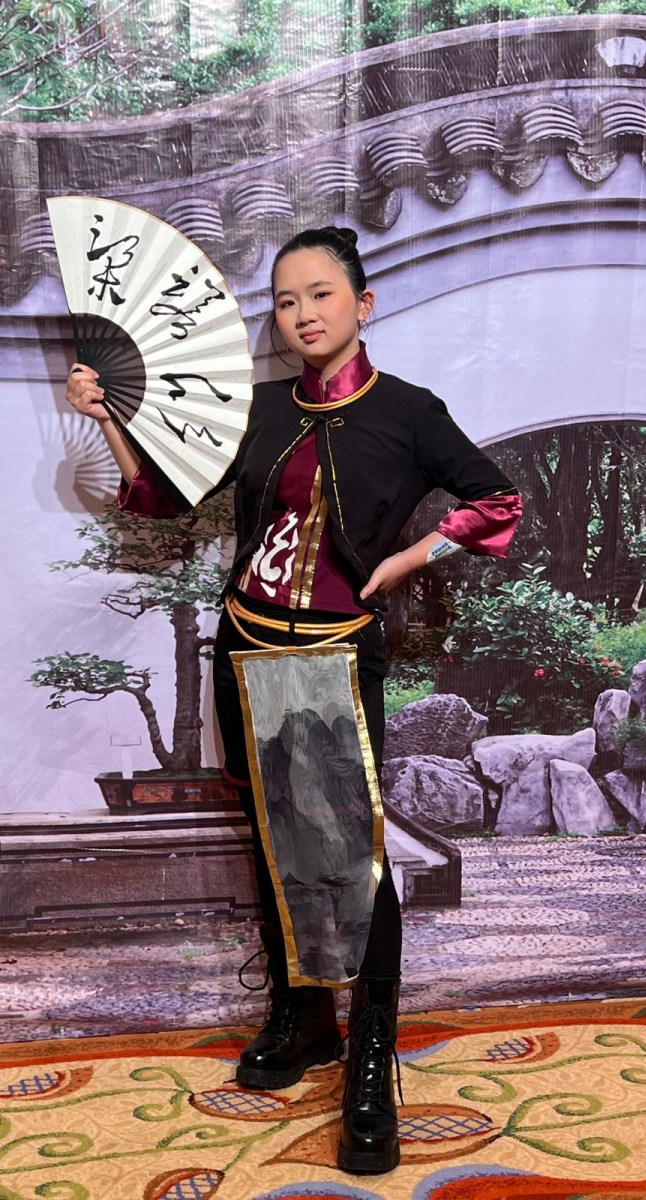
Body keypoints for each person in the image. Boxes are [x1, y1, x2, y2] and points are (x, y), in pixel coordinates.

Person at [65, 226, 522, 1176]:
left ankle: (369, 1057)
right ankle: (303, 1016)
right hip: (245, 645)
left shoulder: (408, 411)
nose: (302, 314)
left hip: (332, 651)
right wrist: (105, 416)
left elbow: (495, 502)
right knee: (274, 836)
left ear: (361, 304)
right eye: (283, 300)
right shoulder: (259, 407)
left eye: (320, 294)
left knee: (355, 855)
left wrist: (409, 558)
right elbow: (160, 498)